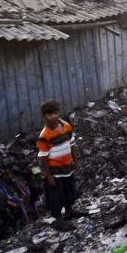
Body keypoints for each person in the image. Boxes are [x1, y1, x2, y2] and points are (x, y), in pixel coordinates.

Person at [36, 99, 80, 230]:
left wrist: (75, 161)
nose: (53, 116)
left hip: (68, 167)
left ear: (58, 112)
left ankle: (69, 212)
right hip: (55, 171)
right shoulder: (44, 135)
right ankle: (58, 220)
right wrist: (48, 175)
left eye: (55, 113)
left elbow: (72, 144)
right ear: (44, 116)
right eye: (50, 114)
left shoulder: (66, 126)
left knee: (69, 191)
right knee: (56, 196)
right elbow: (43, 157)